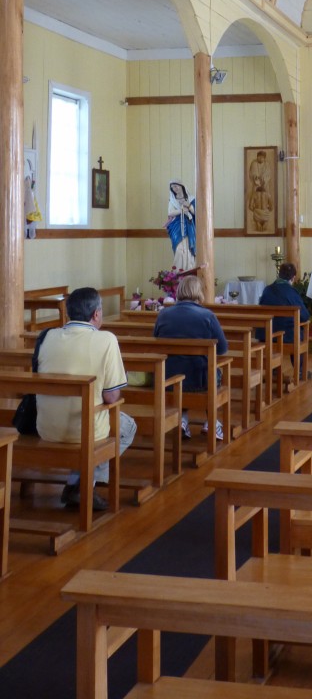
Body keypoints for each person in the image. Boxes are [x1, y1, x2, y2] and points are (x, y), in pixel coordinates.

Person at [36, 287, 137, 511]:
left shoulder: (46, 336)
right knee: (127, 427)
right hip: (83, 428)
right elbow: (111, 397)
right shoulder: (107, 340)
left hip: (45, 426)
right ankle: (84, 486)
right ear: (96, 314)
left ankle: (75, 483)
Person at [153, 274, 228, 440]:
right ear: (199, 292)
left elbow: (156, 343)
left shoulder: (163, 315)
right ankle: (212, 422)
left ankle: (182, 420)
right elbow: (222, 349)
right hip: (199, 380)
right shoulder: (207, 316)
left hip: (168, 378)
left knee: (180, 364)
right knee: (210, 369)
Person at [259, 262, 311, 383]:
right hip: (287, 336)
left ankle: (274, 369)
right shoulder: (291, 292)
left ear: (279, 274)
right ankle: (300, 371)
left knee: (282, 327)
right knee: (298, 331)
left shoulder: (267, 289)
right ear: (293, 278)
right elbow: (304, 316)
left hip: (266, 335)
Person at [165, 181, 196, 270]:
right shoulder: (172, 200)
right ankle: (178, 272)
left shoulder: (191, 198)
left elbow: (196, 213)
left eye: (176, 186)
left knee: (188, 249)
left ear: (182, 186)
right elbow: (170, 212)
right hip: (176, 226)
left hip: (189, 226)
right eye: (173, 187)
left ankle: (189, 269)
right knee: (179, 250)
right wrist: (182, 210)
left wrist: (189, 206)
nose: (175, 189)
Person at [248, 151, 273, 232]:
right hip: (256, 185)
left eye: (262, 157)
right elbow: (252, 173)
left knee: (266, 198)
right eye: (259, 157)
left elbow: (268, 174)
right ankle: (259, 221)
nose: (260, 158)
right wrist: (256, 178)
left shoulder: (267, 164)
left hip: (265, 186)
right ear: (257, 156)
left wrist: (264, 179)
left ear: (264, 158)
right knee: (255, 198)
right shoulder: (254, 163)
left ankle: (262, 221)